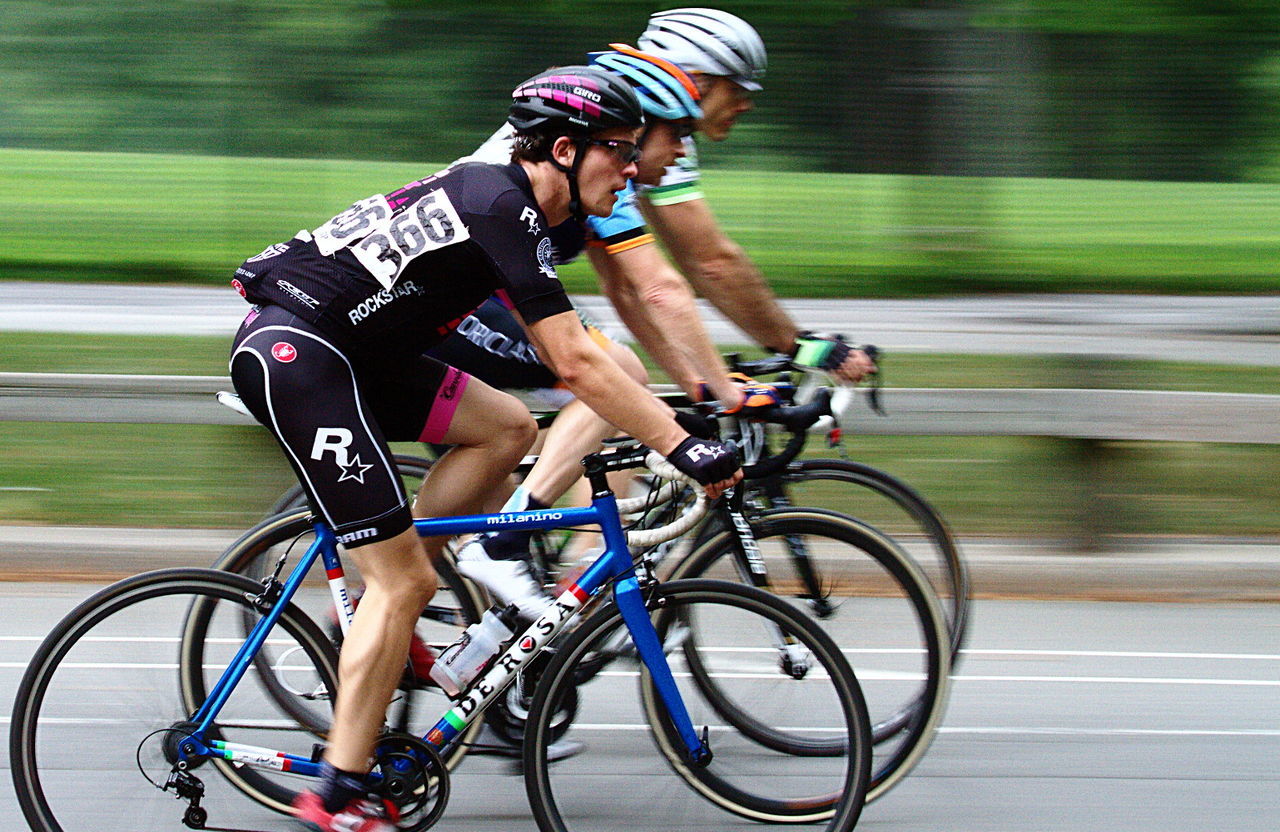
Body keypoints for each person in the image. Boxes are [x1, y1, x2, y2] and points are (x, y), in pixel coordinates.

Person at [227, 66, 741, 832]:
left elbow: (629, 309)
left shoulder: (538, 209)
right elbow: (575, 361)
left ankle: (384, 604)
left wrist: (689, 419)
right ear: (564, 149)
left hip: (362, 354)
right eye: (618, 151)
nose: (633, 169)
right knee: (403, 582)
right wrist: (680, 441)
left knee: (507, 428)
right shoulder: (500, 199)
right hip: (302, 358)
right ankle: (333, 791)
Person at [443, 13, 875, 615]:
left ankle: (566, 600)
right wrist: (726, 390)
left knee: (621, 410)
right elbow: (672, 281)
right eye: (739, 88)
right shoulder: (609, 143)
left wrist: (699, 385)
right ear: (693, 82)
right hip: (456, 297)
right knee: (619, 375)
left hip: (489, 289)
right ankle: (508, 539)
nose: (747, 104)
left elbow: (626, 289)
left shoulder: (629, 142)